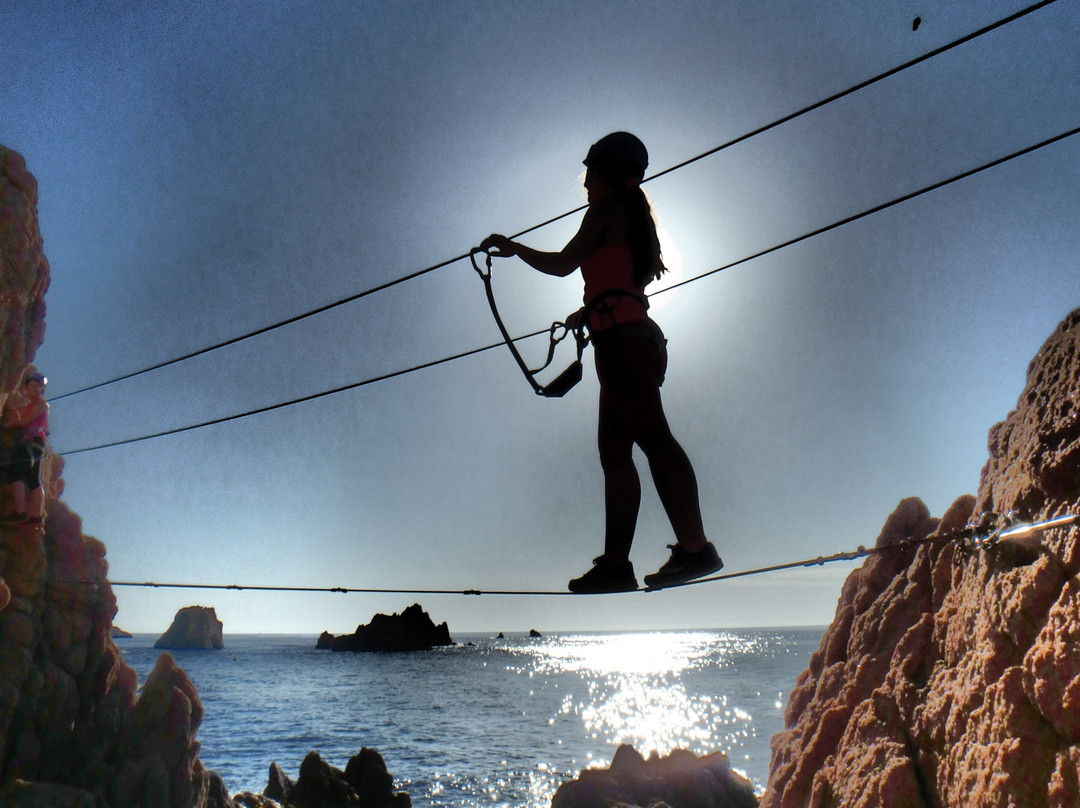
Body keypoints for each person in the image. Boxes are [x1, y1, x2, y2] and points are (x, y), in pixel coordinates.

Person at [481, 132, 723, 593]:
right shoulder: (633, 214)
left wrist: (514, 249)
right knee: (615, 455)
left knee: (651, 439)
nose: (586, 182)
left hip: (622, 344)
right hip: (628, 337)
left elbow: (563, 263)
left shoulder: (606, 209)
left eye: (590, 172)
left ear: (605, 173)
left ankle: (695, 548)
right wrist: (586, 313)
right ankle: (617, 564)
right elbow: (619, 284)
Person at [2, 367, 50, 524]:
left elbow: (25, 422)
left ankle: (20, 512)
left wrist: (10, 424)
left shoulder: (41, 404)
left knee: (15, 471)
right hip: (35, 444)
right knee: (33, 480)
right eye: (30, 385)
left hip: (31, 442)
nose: (32, 388)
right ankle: (36, 517)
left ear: (41, 389)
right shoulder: (32, 404)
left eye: (36, 386)